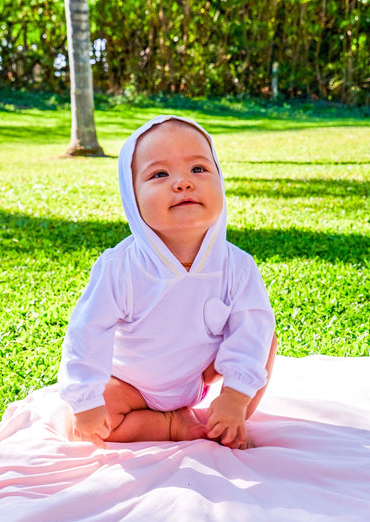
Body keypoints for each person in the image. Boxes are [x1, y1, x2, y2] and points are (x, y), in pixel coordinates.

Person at [59, 115, 277, 449]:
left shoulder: (237, 266)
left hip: (199, 377)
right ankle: (170, 424)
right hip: (130, 384)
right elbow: (87, 331)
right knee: (80, 426)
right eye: (160, 174)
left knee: (263, 337)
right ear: (132, 197)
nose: (183, 183)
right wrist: (85, 397)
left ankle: (228, 416)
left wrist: (235, 395)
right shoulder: (121, 268)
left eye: (199, 170)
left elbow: (251, 331)